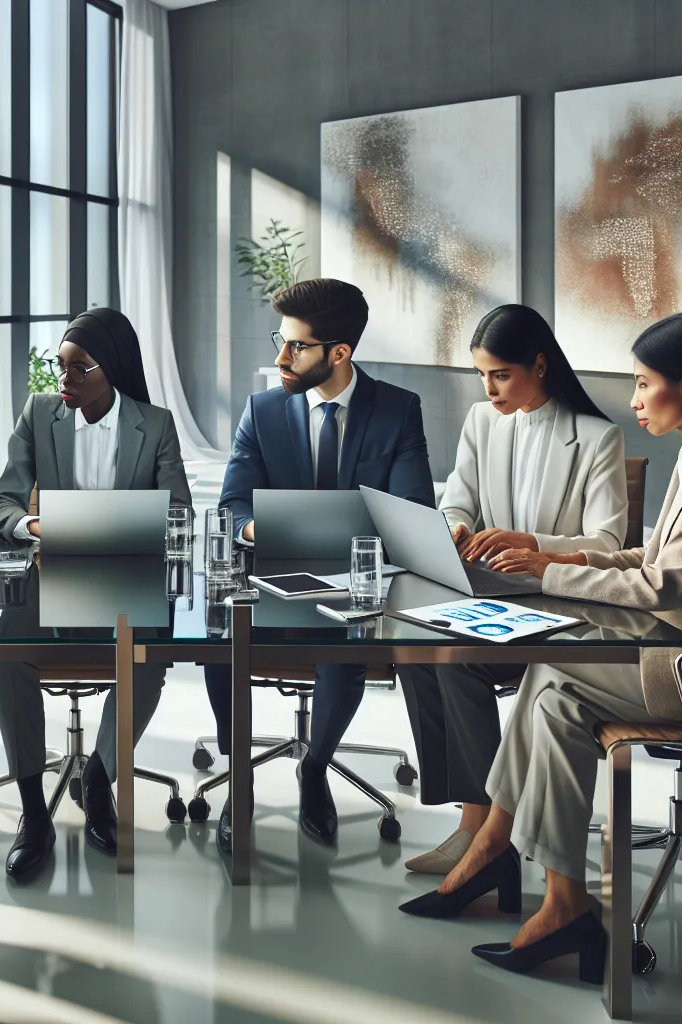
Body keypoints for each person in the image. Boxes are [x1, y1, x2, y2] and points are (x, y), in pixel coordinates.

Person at [399, 311, 682, 985]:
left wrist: (546, 568)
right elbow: (652, 555)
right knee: (551, 680)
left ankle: (531, 877)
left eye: (645, 385)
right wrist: (573, 555)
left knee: (556, 686)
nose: (635, 399)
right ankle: (529, 873)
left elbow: (665, 584)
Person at [205, 278, 433, 854]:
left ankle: (316, 768)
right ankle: (241, 776)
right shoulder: (263, 411)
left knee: (347, 642)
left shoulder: (397, 411)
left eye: (296, 347)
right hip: (271, 577)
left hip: (355, 584)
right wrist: (264, 530)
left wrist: (360, 549)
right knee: (216, 640)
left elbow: (410, 514)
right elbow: (233, 504)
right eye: (279, 342)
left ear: (339, 353)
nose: (280, 358)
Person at [398, 305, 626, 876]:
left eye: (501, 374)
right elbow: (459, 497)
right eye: (481, 375)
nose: (489, 388)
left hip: (562, 605)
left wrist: (535, 544)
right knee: (412, 647)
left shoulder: (597, 438)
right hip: (490, 594)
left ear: (540, 365)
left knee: (455, 658)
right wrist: (453, 523)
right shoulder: (482, 421)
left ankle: (479, 831)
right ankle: (472, 813)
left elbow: (608, 542)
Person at [0, 307, 191, 881]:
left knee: (149, 654)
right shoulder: (40, 414)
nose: (65, 381)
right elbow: (3, 500)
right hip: (50, 574)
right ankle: (33, 811)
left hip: (124, 574)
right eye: (61, 367)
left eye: (80, 370)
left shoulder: (154, 424)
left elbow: (179, 512)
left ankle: (100, 778)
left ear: (113, 371)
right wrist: (33, 526)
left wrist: (118, 530)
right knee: (6, 658)